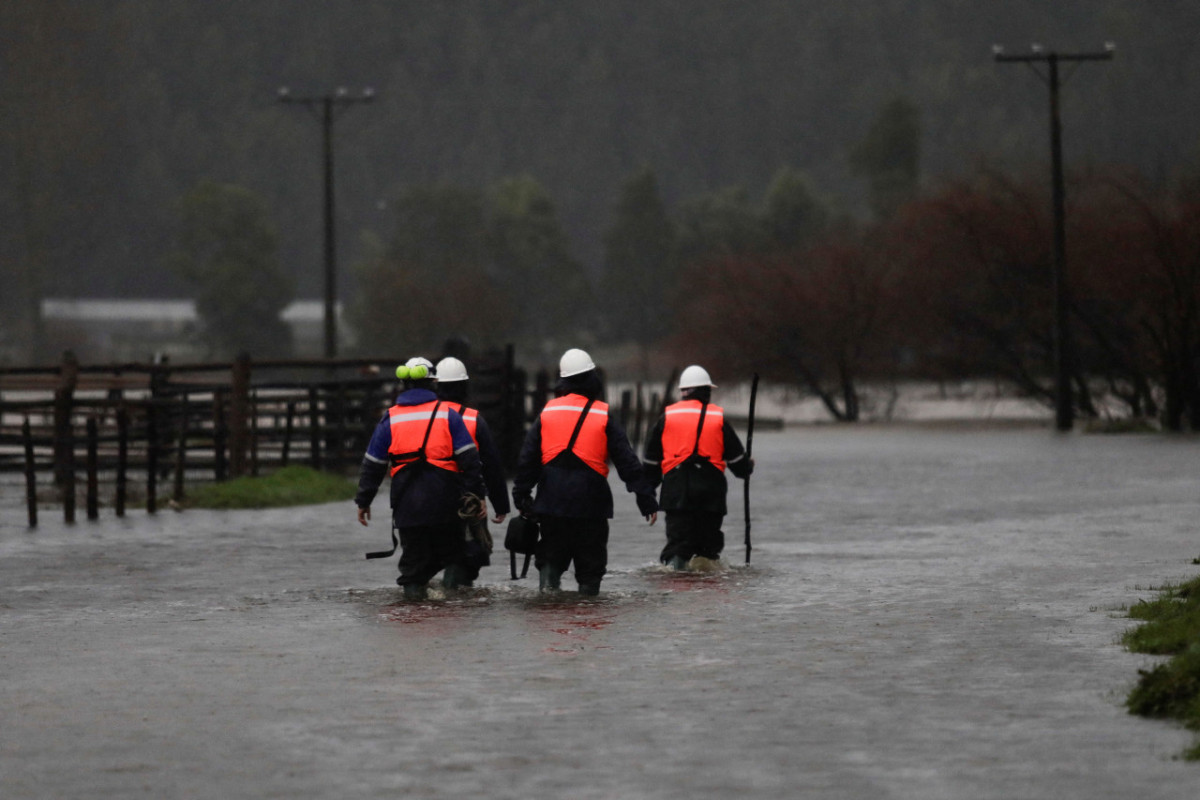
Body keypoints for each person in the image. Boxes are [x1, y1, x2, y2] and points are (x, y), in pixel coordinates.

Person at [512, 348, 659, 595]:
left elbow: (528, 460)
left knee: (550, 559)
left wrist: (521, 495)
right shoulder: (603, 414)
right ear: (592, 378)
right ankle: (588, 614)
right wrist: (646, 499)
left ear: (563, 381)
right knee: (591, 568)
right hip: (591, 504)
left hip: (551, 503)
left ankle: (548, 604)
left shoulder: (547, 412)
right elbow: (627, 462)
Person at [354, 356, 486, 600]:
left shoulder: (390, 419)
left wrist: (364, 501)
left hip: (408, 507)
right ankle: (456, 618)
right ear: (433, 383)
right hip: (447, 503)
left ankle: (414, 614)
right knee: (453, 556)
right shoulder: (448, 415)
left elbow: (372, 466)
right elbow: (470, 461)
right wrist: (477, 495)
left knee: (413, 568)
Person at [641, 365, 753, 570]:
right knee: (708, 549)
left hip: (676, 492)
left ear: (684, 391)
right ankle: (706, 589)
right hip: (710, 493)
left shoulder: (666, 418)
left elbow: (650, 464)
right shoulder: (717, 419)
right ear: (706, 391)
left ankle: (675, 575)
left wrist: (648, 495)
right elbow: (738, 465)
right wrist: (748, 466)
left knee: (678, 545)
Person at [435, 356, 510, 587]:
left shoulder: (425, 417)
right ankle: (457, 599)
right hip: (468, 502)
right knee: (467, 558)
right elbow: (491, 466)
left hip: (429, 499)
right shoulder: (473, 419)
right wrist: (501, 505)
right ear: (464, 387)